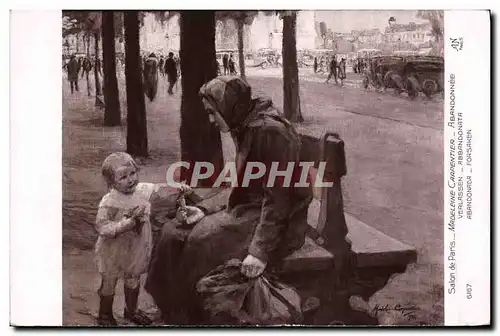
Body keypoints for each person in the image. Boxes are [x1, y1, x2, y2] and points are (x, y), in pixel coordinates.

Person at [146, 76, 314, 324]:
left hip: (279, 221)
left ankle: (191, 318)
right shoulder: (245, 124)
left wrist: (259, 252)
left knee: (201, 239)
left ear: (230, 105)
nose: (212, 120)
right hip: (253, 209)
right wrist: (203, 208)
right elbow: (243, 183)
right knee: (173, 230)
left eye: (213, 113)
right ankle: (170, 310)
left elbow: (279, 200)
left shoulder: (270, 132)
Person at [95, 152, 192, 326]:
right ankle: (105, 314)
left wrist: (177, 188)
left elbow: (160, 190)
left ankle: (131, 311)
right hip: (114, 249)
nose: (130, 180)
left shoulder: (142, 190)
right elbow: (102, 227)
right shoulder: (109, 201)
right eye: (123, 177)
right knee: (109, 281)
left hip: (136, 247)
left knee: (133, 280)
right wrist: (125, 224)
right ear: (111, 182)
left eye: (132, 173)